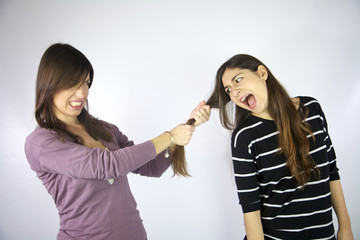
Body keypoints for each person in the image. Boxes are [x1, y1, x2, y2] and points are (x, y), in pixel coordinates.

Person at [24, 43, 210, 240]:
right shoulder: (41, 143)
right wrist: (170, 136)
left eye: (86, 83)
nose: (82, 93)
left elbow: (152, 167)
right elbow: (107, 165)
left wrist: (187, 126)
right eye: (72, 83)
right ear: (50, 84)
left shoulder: (104, 129)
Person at [207, 54, 353, 239]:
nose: (234, 91)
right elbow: (251, 209)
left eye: (238, 79)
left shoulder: (312, 109)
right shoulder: (244, 137)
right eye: (228, 89)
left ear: (262, 73)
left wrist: (345, 227)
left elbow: (331, 171)